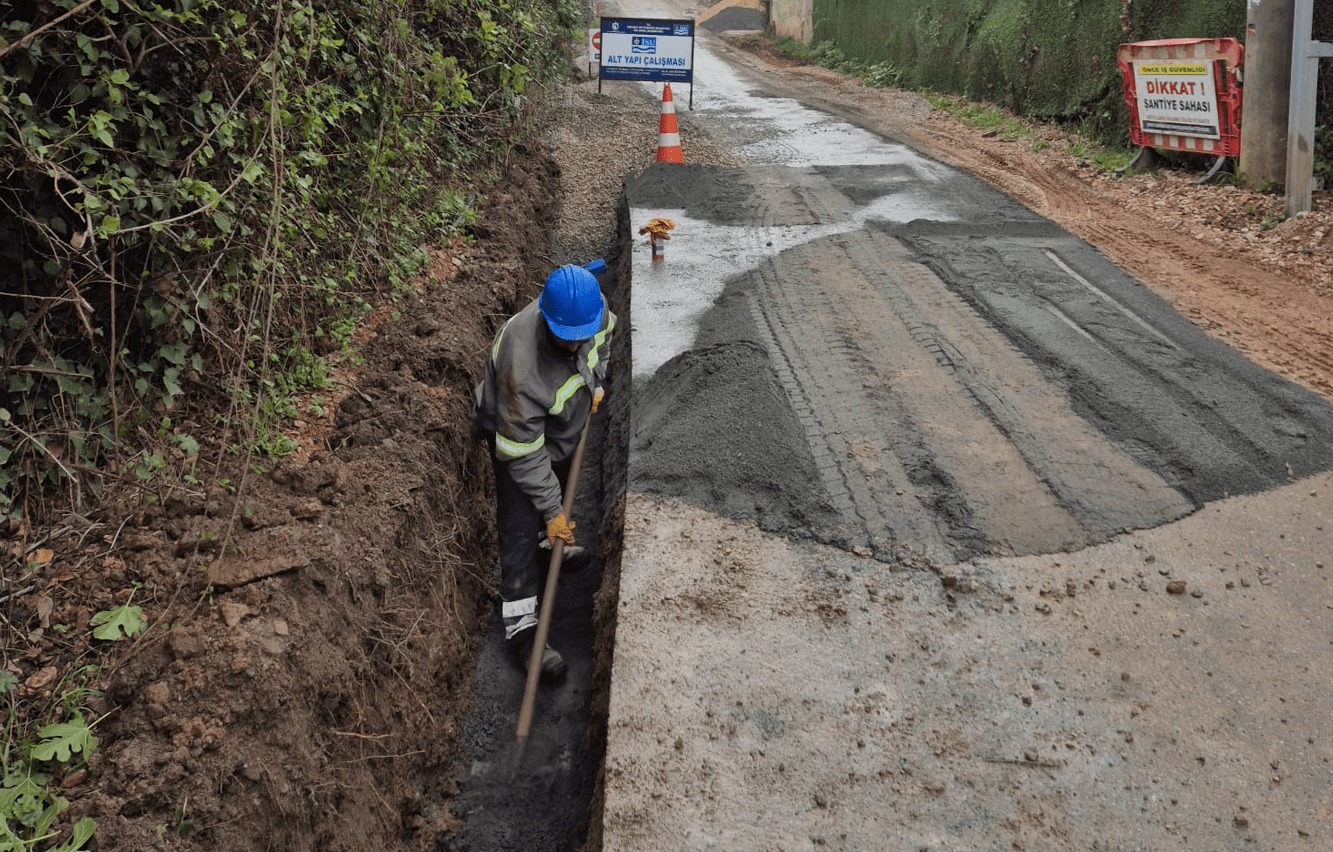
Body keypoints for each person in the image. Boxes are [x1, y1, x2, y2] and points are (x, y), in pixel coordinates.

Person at [470, 263, 615, 682]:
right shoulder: (523, 366)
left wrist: (596, 380)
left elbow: (602, 342)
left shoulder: (594, 311)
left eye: (580, 338)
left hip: (560, 425)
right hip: (517, 439)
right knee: (518, 527)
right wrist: (554, 511)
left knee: (559, 479)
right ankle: (522, 630)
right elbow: (523, 455)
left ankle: (547, 544)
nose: (574, 347)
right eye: (565, 340)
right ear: (548, 321)